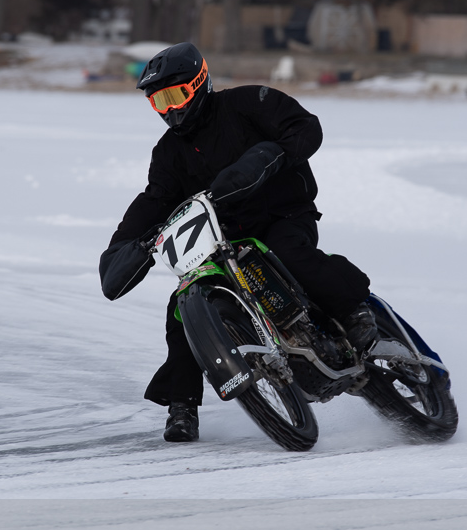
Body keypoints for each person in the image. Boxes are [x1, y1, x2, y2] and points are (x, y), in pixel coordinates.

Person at [100, 42, 376, 443]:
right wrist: (124, 245)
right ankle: (182, 406)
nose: (170, 110)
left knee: (288, 253)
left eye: (175, 96)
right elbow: (154, 200)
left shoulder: (248, 103)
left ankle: (355, 311)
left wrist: (272, 156)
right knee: (181, 307)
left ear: (200, 84)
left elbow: (305, 127)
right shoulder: (168, 153)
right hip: (224, 241)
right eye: (159, 102)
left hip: (283, 215)